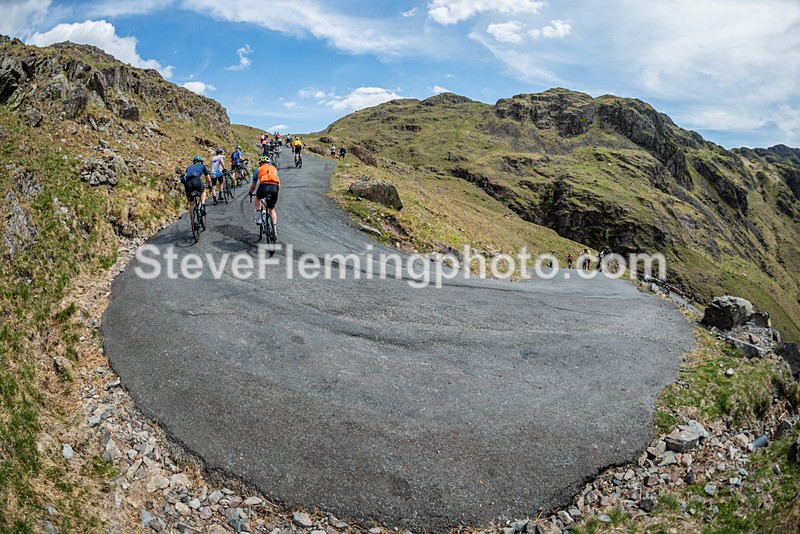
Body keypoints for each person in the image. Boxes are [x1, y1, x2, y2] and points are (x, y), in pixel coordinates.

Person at [248, 155, 280, 233]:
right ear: (268, 163)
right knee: (271, 209)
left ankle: (259, 217)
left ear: (260, 163)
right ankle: (274, 230)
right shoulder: (274, 169)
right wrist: (275, 192)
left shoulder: (258, 170)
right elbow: (279, 184)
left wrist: (251, 192)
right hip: (274, 188)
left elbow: (254, 185)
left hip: (263, 186)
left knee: (258, 198)